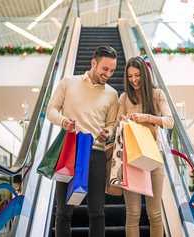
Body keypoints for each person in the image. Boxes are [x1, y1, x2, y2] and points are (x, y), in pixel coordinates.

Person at [47, 45, 119, 237]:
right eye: (105, 69)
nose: (109, 74)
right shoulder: (68, 82)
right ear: (93, 63)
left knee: (97, 212)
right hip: (70, 150)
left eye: (112, 70)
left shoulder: (112, 94)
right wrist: (63, 121)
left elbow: (112, 124)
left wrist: (108, 132)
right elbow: (51, 110)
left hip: (96, 153)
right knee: (63, 211)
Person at [117, 56, 174, 237]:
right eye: (130, 76)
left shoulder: (157, 95)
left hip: (154, 158)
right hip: (132, 158)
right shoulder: (124, 97)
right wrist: (123, 121)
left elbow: (170, 121)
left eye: (137, 75)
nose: (134, 80)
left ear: (146, 75)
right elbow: (117, 124)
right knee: (133, 213)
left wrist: (147, 117)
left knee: (155, 213)